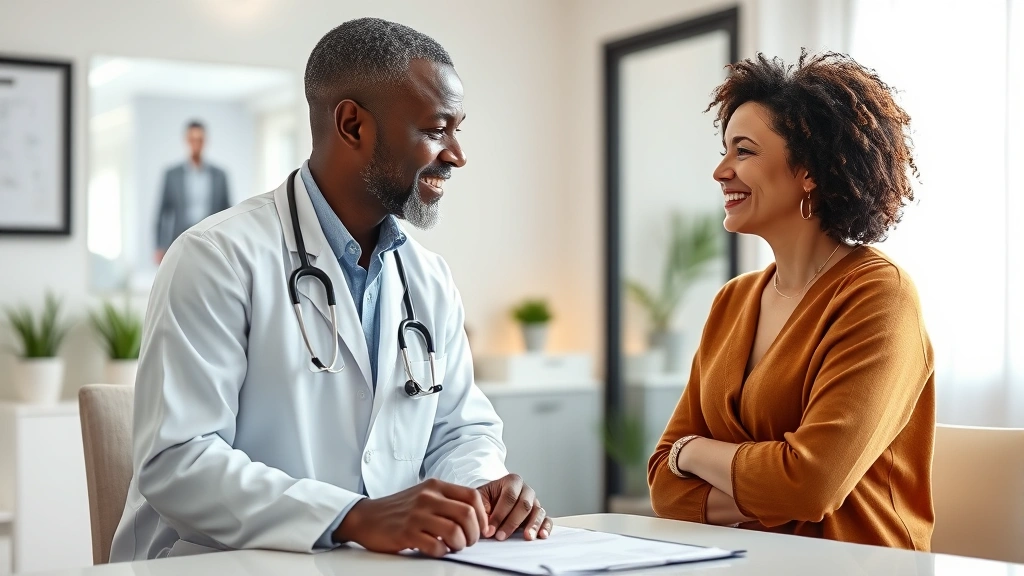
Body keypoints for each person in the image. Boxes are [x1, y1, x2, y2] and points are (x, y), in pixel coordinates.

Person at [110, 17, 553, 562]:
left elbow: (460, 429)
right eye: (437, 130)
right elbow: (179, 462)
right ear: (352, 125)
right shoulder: (216, 257)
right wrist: (353, 517)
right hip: (215, 563)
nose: (456, 154)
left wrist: (484, 487)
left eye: (457, 130)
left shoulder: (427, 278)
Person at [648, 51, 935, 550]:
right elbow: (662, 485)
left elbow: (810, 486)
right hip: (746, 560)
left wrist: (693, 453)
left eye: (744, 151)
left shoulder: (879, 296)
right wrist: (769, 484)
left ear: (809, 170)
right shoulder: (732, 301)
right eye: (724, 150)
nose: (720, 170)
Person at [154, 120, 231, 263]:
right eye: (192, 139)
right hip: (180, 239)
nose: (196, 144)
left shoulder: (219, 175)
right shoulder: (172, 175)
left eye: (200, 139)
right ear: (186, 141)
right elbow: (162, 213)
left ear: (205, 141)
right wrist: (159, 246)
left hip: (212, 240)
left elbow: (227, 212)